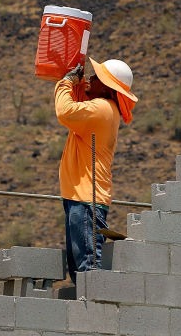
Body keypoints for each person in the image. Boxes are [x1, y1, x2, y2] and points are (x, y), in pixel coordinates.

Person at [54, 57, 137, 284]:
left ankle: (95, 316)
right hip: (80, 198)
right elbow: (78, 105)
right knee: (81, 272)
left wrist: (65, 83)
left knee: (88, 271)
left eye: (97, 77)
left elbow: (65, 111)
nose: (91, 78)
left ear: (108, 88)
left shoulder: (101, 109)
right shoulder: (102, 109)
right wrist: (77, 84)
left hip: (86, 200)